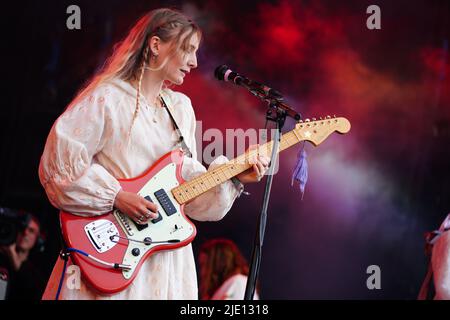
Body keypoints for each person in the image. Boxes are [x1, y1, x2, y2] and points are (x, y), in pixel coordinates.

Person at [38, 8, 270, 300]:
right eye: (188, 49)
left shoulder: (181, 108)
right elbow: (58, 167)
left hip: (163, 256)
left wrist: (235, 177)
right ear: (156, 45)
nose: (194, 62)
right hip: (112, 247)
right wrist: (117, 197)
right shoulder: (108, 97)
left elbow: (188, 193)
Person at [0, 213, 45, 300]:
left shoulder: (37, 271)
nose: (25, 233)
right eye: (22, 228)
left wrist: (11, 252)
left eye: (31, 230)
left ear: (38, 239)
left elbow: (34, 291)